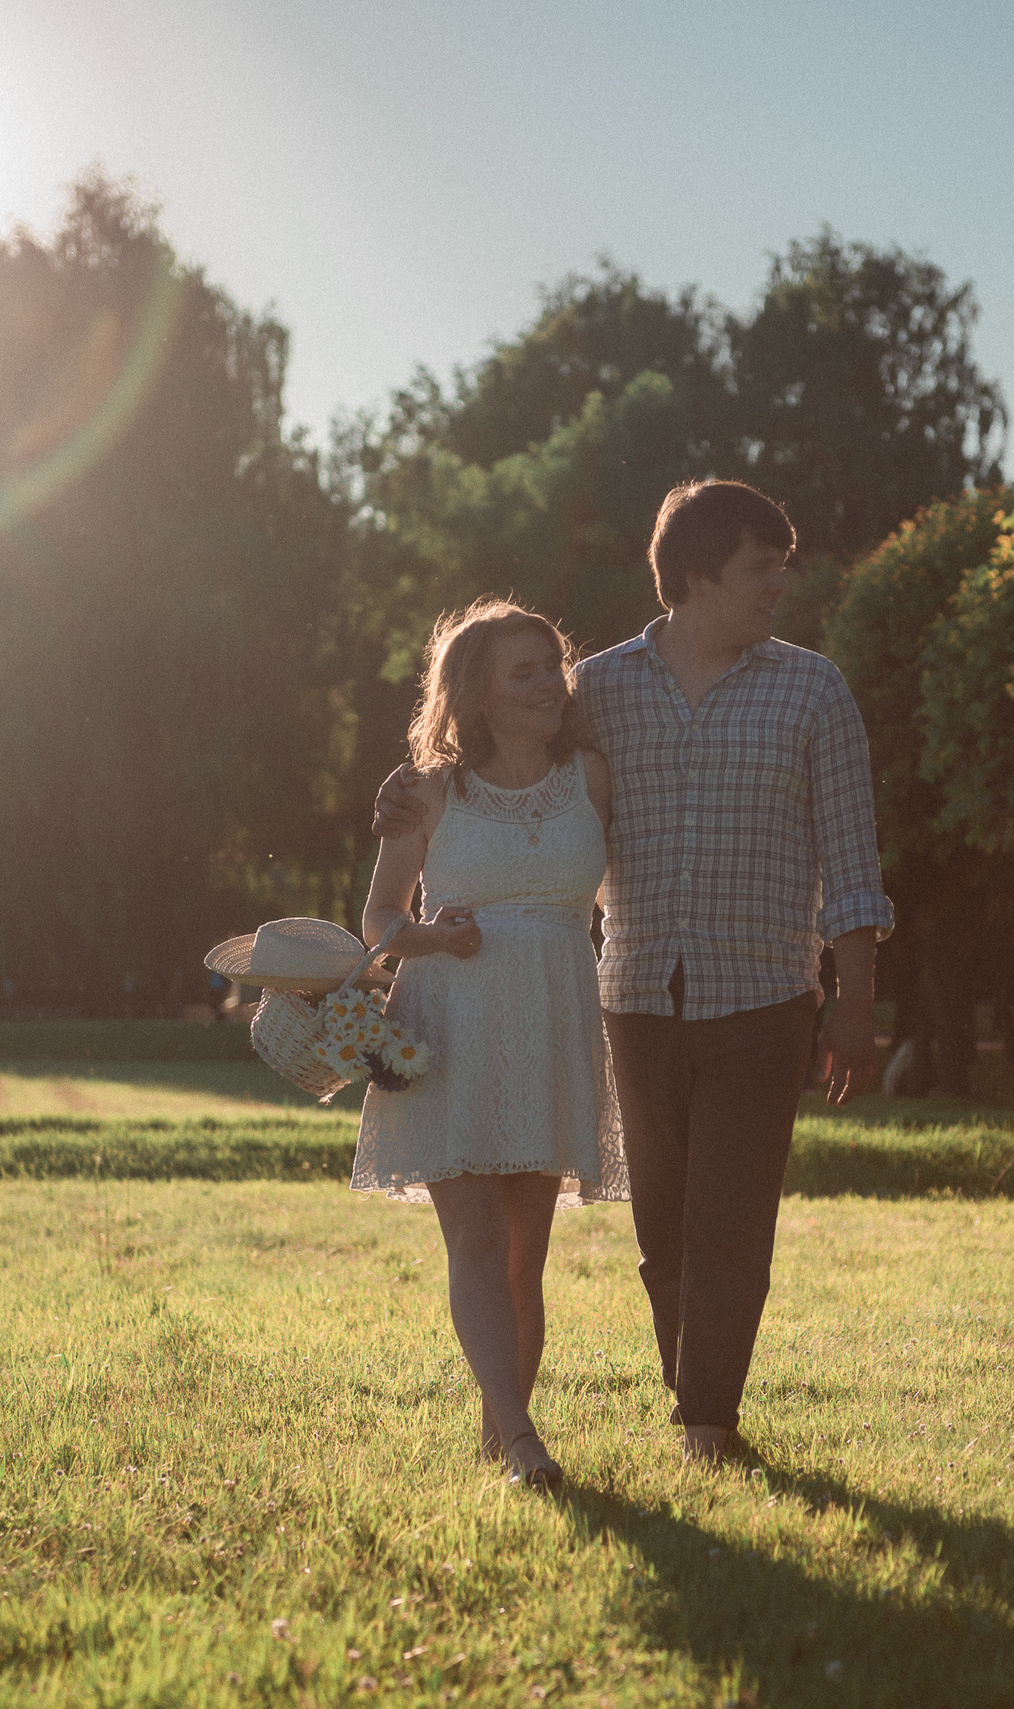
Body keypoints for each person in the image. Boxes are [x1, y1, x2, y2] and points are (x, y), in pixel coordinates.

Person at [378, 480, 893, 1465]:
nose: (778, 585)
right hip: (634, 991)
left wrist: (855, 1001)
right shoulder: (601, 688)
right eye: (760, 568)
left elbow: (853, 857)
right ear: (696, 578)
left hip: (765, 988)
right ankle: (679, 1386)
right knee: (661, 1224)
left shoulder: (812, 688)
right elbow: (498, 769)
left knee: (731, 1213)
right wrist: (411, 785)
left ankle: (707, 1417)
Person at [357, 599, 625, 1493]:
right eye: (525, 672)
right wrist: (435, 938)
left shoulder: (589, 774)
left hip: (551, 1017)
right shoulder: (429, 788)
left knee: (525, 1254)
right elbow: (380, 918)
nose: (549, 683)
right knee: (474, 1236)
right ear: (475, 691)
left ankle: (496, 1434)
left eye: (553, 666)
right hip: (453, 1020)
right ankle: (522, 1440)